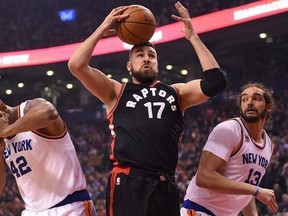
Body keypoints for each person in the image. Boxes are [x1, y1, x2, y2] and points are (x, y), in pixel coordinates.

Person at [68, 1, 227, 216]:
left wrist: (193, 37)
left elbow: (216, 82)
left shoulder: (177, 92)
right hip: (128, 182)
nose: (146, 59)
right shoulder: (115, 91)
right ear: (129, 65)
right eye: (140, 55)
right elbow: (76, 65)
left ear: (157, 64)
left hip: (165, 184)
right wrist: (102, 29)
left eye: (151, 56)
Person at [180, 82, 279, 216]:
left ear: (269, 107)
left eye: (256, 98)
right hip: (200, 210)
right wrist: (256, 190)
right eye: (244, 99)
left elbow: (245, 189)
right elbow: (204, 177)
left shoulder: (268, 145)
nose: (249, 102)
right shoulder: (229, 129)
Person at [0, 98, 97, 216]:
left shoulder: (28, 109)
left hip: (69, 207)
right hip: (32, 211)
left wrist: (7, 130)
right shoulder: (2, 139)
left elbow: (50, 112)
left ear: (2, 109)